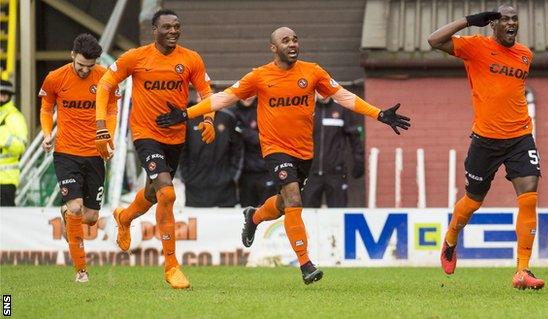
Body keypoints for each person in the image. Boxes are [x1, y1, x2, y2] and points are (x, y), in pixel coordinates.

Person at [156, 26, 410, 284]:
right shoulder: (259, 76)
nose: (292, 44)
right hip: (275, 150)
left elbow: (344, 97)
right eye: (285, 40)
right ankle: (305, 264)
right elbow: (224, 98)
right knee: (293, 198)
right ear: (273, 48)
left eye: (295, 39)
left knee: (283, 203)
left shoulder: (312, 72)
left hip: (304, 153)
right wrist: (187, 113)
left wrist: (378, 113)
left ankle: (253, 216)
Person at [95, 9, 215, 289]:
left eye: (177, 26)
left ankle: (124, 217)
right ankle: (172, 266)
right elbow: (105, 84)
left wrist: (208, 118)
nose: (173, 31)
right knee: (167, 192)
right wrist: (102, 125)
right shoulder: (136, 57)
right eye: (167, 27)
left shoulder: (191, 59)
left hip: (176, 137)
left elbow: (207, 93)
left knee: (154, 191)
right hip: (146, 134)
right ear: (155, 30)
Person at [428, 5, 544, 290]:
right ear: (493, 25)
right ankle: (452, 238)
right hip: (485, 139)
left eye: (515, 18)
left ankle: (522, 270)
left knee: (529, 194)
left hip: (520, 136)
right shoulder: (476, 47)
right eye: (504, 19)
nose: (511, 23)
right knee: (473, 201)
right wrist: (468, 21)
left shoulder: (525, 55)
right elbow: (434, 41)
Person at [38, 34, 117, 282]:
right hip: (66, 152)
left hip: (95, 154)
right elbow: (46, 106)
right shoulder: (55, 77)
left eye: (89, 66)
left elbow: (113, 108)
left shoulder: (105, 77)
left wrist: (109, 137)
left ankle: (67, 214)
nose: (84, 70)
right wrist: (47, 133)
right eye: (81, 65)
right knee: (75, 208)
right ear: (73, 55)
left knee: (91, 218)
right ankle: (81, 271)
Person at [302, 95, 364, 208]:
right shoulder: (306, 109)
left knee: (338, 213)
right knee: (307, 214)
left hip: (336, 173)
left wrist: (359, 160)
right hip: (310, 173)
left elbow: (355, 137)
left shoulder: (341, 109)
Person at [179, 98, 242, 207]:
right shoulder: (189, 118)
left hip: (224, 188)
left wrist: (232, 176)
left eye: (210, 94)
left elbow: (237, 148)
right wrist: (186, 176)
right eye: (201, 95)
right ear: (197, 97)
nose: (205, 97)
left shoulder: (228, 117)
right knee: (198, 222)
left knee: (225, 223)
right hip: (195, 187)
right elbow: (181, 150)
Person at [234, 97, 277, 207]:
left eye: (251, 94)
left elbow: (267, 138)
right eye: (245, 94)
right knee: (247, 211)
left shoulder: (264, 110)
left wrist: (243, 132)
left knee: (268, 211)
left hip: (265, 171)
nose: (247, 97)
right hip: (244, 174)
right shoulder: (232, 113)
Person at [0, 80, 28, 207]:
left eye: (4, 94)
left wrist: (4, 139)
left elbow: (21, 147)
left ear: (9, 96)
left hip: (6, 180)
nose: (1, 97)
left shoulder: (14, 117)